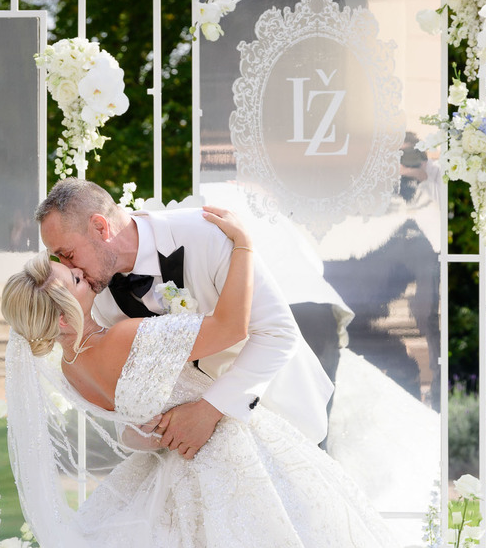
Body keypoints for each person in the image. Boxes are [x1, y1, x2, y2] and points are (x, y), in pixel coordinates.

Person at [0, 207, 483, 548]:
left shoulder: (70, 368)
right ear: (62, 309)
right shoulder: (123, 336)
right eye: (67, 277)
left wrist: (158, 425)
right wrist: (246, 246)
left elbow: (133, 432)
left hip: (160, 466)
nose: (76, 272)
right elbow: (231, 327)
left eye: (69, 261)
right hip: (224, 452)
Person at [36, 177, 333, 456]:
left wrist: (211, 409)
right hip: (194, 453)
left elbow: (276, 332)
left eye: (67, 254)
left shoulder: (206, 234)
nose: (66, 267)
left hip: (281, 415)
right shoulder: (96, 294)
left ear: (100, 228)